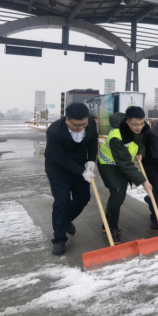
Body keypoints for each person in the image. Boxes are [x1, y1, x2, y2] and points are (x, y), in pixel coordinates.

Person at [44, 103, 99, 256]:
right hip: (57, 170)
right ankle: (59, 239)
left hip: (80, 167)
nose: (81, 127)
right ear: (67, 119)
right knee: (62, 202)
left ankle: (65, 220)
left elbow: (93, 142)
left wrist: (91, 161)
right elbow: (60, 158)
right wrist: (83, 172)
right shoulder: (54, 131)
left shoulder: (90, 123)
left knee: (83, 198)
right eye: (76, 125)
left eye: (84, 124)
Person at [97, 106, 153, 244]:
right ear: (127, 122)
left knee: (119, 194)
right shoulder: (116, 135)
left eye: (142, 123)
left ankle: (107, 222)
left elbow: (142, 141)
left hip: (123, 163)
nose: (139, 127)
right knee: (117, 192)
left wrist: (140, 151)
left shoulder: (143, 128)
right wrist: (143, 181)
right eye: (135, 124)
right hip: (108, 164)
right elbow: (125, 164)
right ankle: (112, 227)